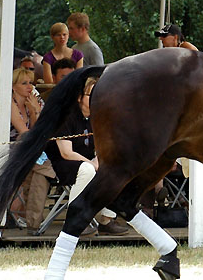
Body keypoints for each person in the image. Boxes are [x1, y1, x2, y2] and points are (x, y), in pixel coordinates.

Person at [45, 77, 129, 236]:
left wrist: (98, 162)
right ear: (79, 97)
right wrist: (92, 164)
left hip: (88, 162)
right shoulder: (66, 116)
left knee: (119, 168)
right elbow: (66, 153)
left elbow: (103, 148)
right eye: (92, 94)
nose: (98, 98)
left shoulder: (98, 117)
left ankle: (106, 220)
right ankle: (74, 221)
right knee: (87, 170)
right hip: (62, 164)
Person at [10, 68, 56, 233]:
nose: (30, 86)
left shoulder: (37, 102)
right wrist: (33, 111)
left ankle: (29, 219)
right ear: (14, 87)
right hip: (6, 150)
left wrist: (35, 111)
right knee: (41, 166)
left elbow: (41, 132)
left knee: (38, 170)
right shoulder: (10, 103)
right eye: (24, 83)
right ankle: (31, 218)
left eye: (31, 82)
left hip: (31, 152)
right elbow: (25, 134)